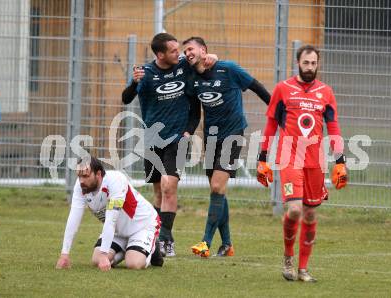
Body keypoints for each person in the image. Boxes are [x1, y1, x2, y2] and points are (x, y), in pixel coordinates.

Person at [256, 45, 347, 282]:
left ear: (318, 65)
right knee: (295, 210)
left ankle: (303, 269)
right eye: (306, 63)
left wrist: (340, 161)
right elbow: (271, 126)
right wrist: (262, 159)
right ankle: (288, 259)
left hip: (315, 161)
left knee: (309, 215)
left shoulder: (326, 92)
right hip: (289, 158)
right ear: (298, 63)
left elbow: (333, 127)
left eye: (313, 63)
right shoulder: (282, 89)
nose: (309, 67)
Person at [122, 33, 214, 257]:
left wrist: (211, 56)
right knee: (158, 193)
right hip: (153, 139)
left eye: (178, 50)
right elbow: (125, 98)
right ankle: (159, 237)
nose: (179, 53)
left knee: (168, 186)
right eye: (173, 51)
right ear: (160, 54)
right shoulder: (146, 73)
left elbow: (204, 62)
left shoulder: (184, 65)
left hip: (178, 139)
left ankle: (165, 241)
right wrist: (134, 82)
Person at [182, 37, 270, 257]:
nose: (187, 53)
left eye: (190, 49)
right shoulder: (192, 77)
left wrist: (277, 112)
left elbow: (257, 87)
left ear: (204, 50)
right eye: (185, 51)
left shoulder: (228, 69)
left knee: (216, 188)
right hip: (211, 138)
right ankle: (228, 244)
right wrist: (188, 131)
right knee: (217, 189)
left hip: (232, 135)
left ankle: (205, 242)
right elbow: (194, 110)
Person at [56, 156, 164, 271]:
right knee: (96, 260)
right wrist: (64, 254)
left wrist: (104, 255)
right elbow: (73, 218)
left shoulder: (116, 181)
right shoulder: (81, 186)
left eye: (85, 176)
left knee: (134, 264)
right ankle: (129, 248)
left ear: (98, 174)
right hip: (118, 231)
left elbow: (111, 219)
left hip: (143, 226)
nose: (81, 180)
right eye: (79, 176)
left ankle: (153, 249)